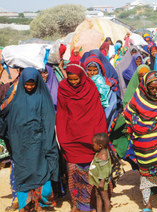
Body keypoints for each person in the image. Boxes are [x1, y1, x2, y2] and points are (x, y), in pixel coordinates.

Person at [0, 68, 58, 211]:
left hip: (39, 143)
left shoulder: (42, 96)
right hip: (20, 144)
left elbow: (49, 120)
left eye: (32, 84)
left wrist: (47, 141)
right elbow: (2, 112)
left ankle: (39, 203)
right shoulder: (15, 95)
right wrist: (12, 95)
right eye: (27, 84)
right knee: (23, 175)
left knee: (41, 172)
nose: (29, 87)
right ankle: (24, 205)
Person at [123, 71, 157, 212]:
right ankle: (147, 205)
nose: (154, 91)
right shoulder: (138, 97)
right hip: (143, 145)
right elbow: (128, 114)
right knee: (146, 177)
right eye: (151, 88)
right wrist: (139, 128)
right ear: (145, 86)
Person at [56, 61, 107, 212]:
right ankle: (75, 204)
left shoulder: (90, 87)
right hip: (71, 137)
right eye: (70, 79)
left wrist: (99, 138)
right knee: (73, 173)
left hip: (89, 138)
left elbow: (97, 114)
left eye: (75, 79)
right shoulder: (63, 88)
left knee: (89, 173)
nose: (73, 82)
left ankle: (90, 204)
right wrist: (62, 136)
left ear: (81, 77)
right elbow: (62, 114)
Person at [84, 55, 120, 130]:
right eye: (89, 70)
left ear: (99, 70)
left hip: (103, 115)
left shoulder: (106, 84)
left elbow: (111, 103)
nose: (92, 73)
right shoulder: (84, 83)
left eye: (95, 70)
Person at [89, 133, 112, 212]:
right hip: (97, 181)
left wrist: (102, 181)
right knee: (98, 196)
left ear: (100, 146)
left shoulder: (103, 156)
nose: (92, 145)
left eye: (93, 144)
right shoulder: (100, 152)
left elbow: (105, 170)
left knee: (105, 198)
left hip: (101, 182)